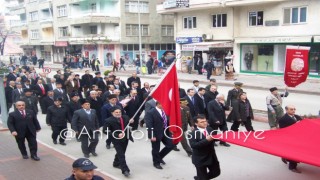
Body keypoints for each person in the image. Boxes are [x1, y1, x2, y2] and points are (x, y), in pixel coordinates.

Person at [103, 106, 134, 177]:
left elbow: (129, 124)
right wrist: (117, 134)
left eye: (119, 112)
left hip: (125, 138)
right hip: (116, 140)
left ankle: (116, 163)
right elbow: (105, 131)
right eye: (116, 112)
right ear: (112, 113)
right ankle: (125, 170)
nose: (118, 113)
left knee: (122, 152)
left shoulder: (125, 117)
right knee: (121, 155)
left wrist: (131, 122)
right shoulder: (108, 120)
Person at [189, 115, 221, 180]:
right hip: (200, 159)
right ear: (196, 123)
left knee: (216, 172)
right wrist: (206, 140)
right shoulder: (192, 133)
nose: (205, 123)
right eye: (201, 122)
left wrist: (223, 137)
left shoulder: (209, 129)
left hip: (211, 157)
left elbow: (214, 138)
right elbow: (194, 145)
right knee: (203, 177)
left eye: (205, 121)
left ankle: (200, 178)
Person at [145, 101, 174, 170]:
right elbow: (149, 125)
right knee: (156, 149)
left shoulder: (165, 111)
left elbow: (167, 121)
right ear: (158, 104)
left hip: (166, 132)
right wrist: (152, 135)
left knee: (171, 145)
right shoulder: (151, 112)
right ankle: (156, 163)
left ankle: (159, 157)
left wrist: (171, 129)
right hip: (156, 133)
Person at [279, 105, 303, 173]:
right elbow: (283, 131)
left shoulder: (297, 116)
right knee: (293, 153)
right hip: (290, 139)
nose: (293, 111)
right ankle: (292, 167)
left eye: (294, 109)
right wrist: (296, 124)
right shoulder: (283, 119)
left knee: (296, 152)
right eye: (291, 109)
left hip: (298, 138)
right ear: (287, 110)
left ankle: (285, 157)